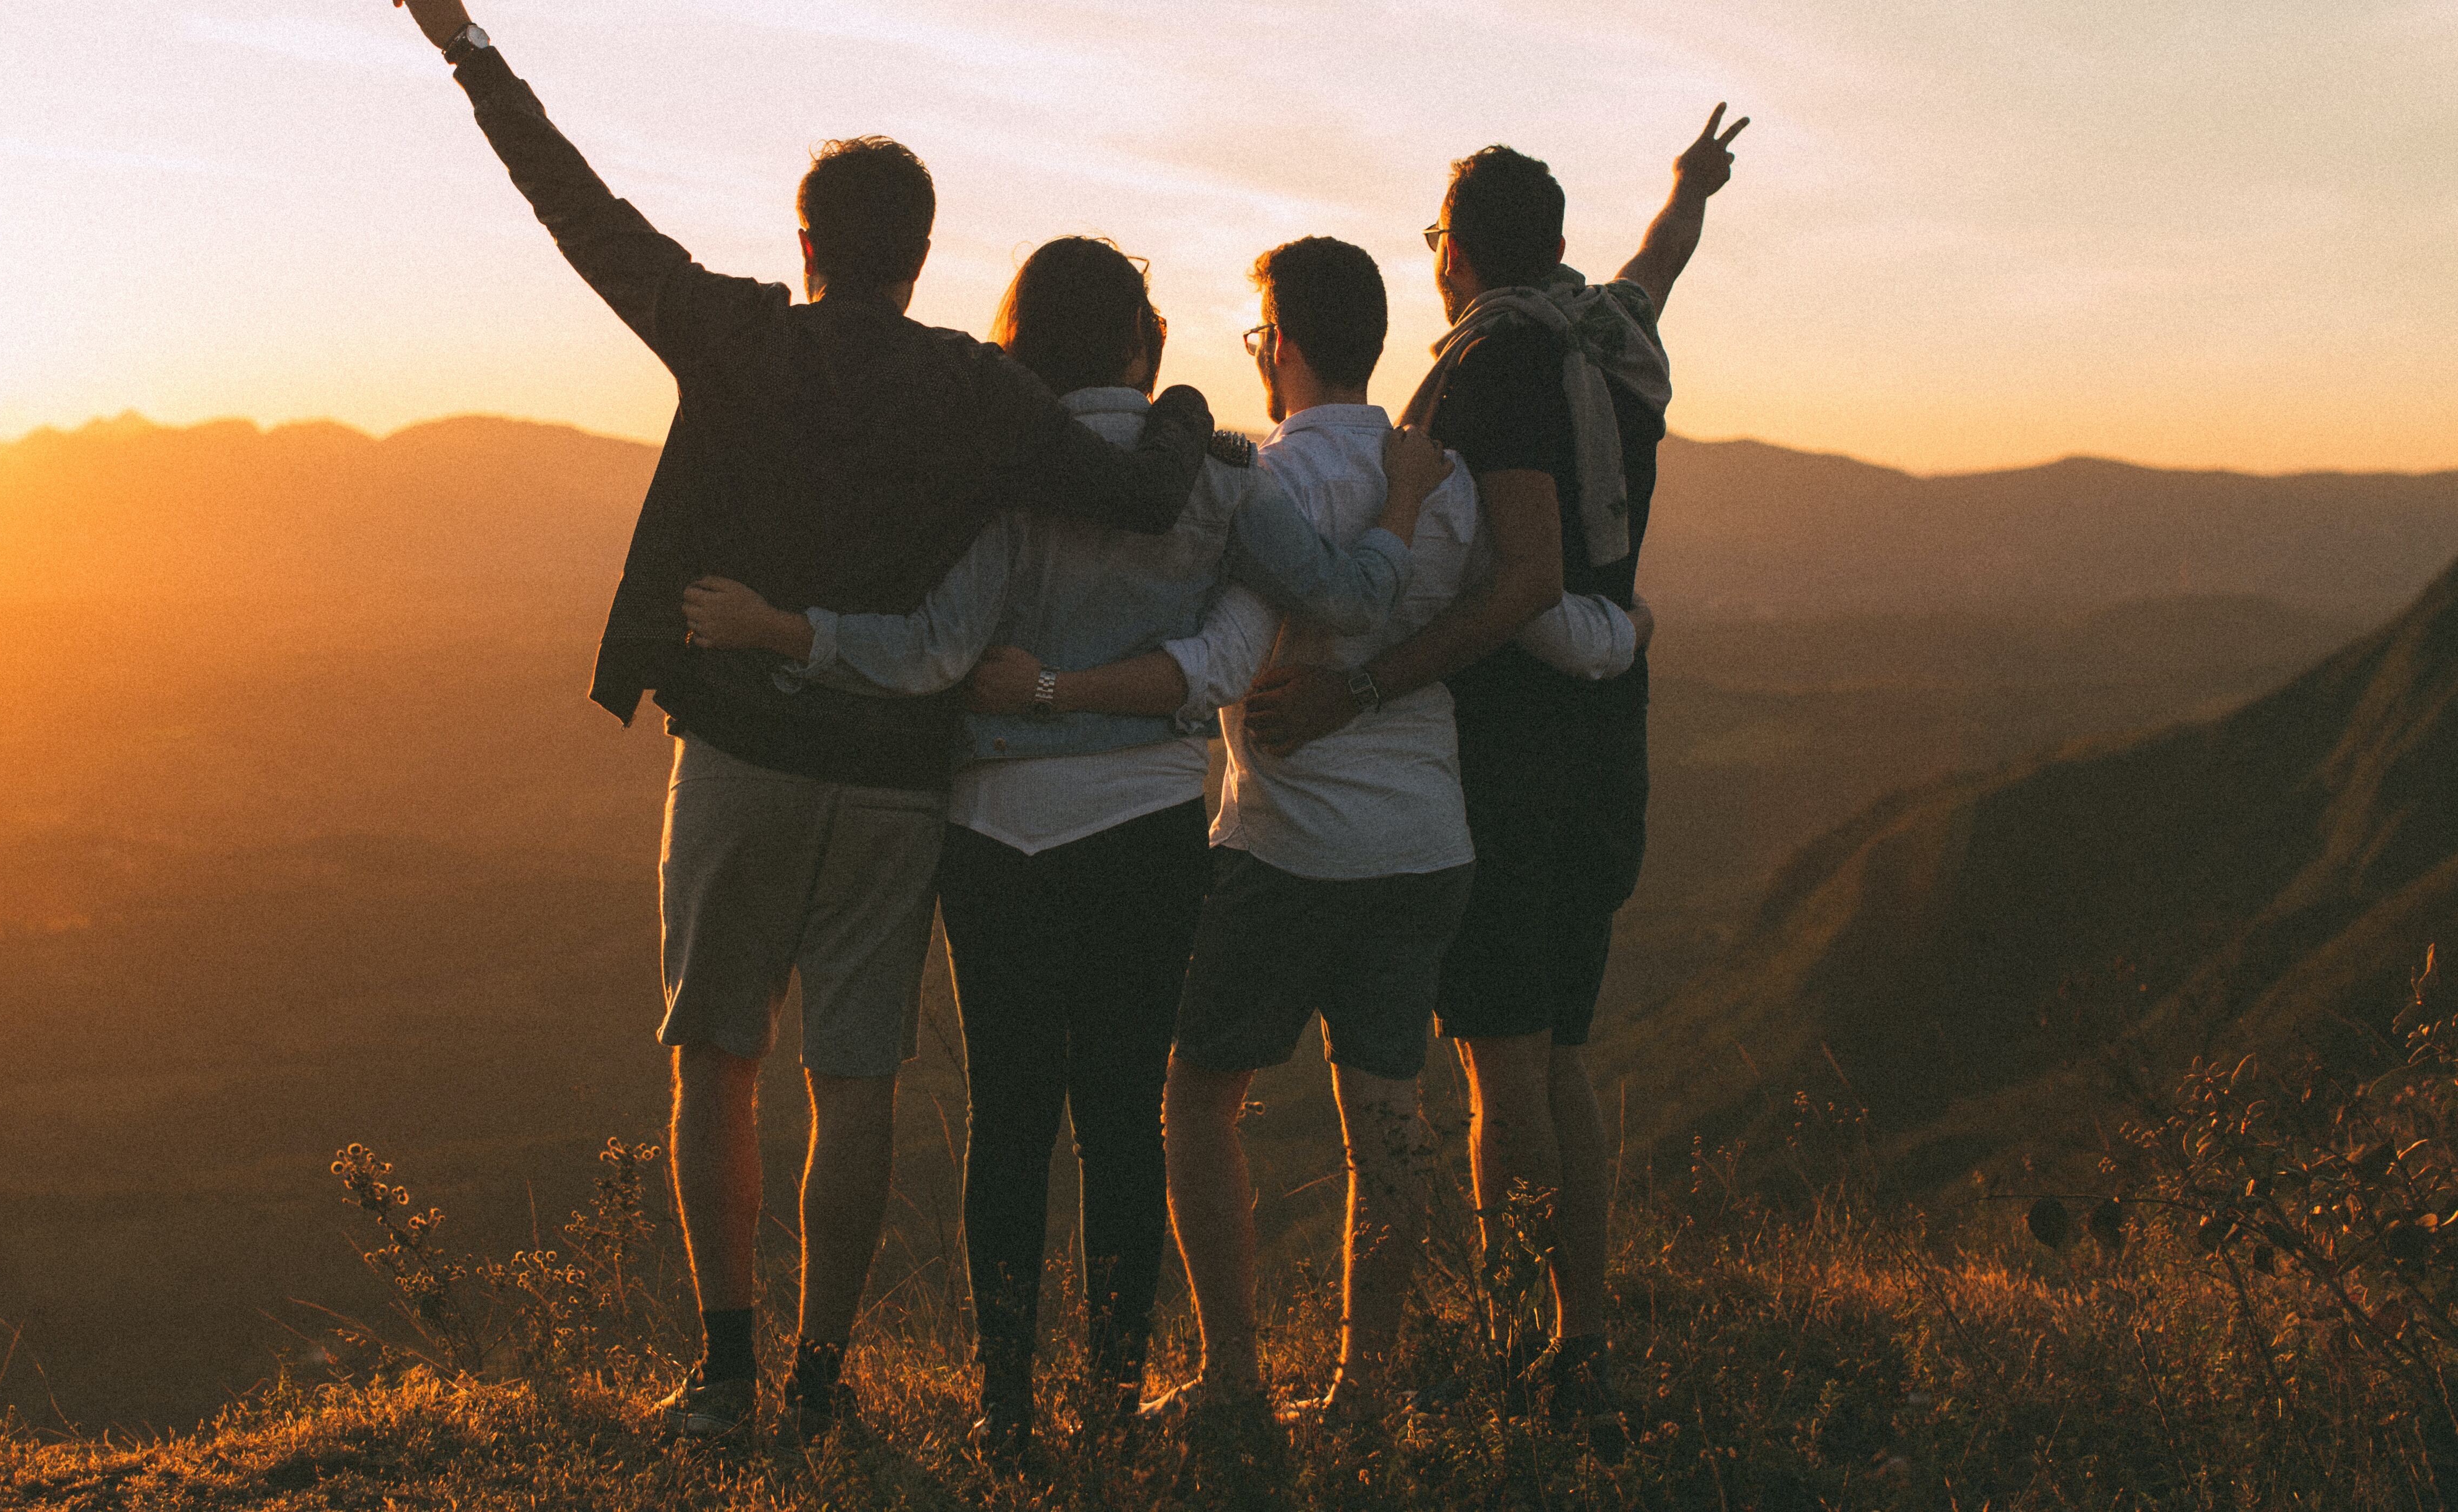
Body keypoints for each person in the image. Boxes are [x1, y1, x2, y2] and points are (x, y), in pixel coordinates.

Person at [378, 0, 1223, 1442]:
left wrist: (467, 48)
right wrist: (1192, 402)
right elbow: (1139, 492)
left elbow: (577, 205)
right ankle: (826, 1380)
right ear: (922, 252)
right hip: (898, 780)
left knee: (717, 1055)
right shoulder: (978, 386)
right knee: (857, 1074)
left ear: (810, 237)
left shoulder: (737, 335)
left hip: (742, 753)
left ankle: (725, 1373)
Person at [679, 234, 1450, 1456]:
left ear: (1018, 346)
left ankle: (1006, 1408)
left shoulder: (1001, 477)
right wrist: (1402, 507)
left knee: (1011, 1119)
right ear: (1145, 347)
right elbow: (1351, 597)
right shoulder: (1218, 477)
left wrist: (793, 633)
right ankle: (1107, 1406)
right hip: (1145, 828)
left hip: (995, 835)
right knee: (1123, 1120)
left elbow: (931, 648)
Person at [1244, 111, 1746, 1426]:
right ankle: (1572, 1344)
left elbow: (1521, 573)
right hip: (1608, 731)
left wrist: (1359, 684)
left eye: (1434, 243)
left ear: (1455, 254)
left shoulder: (1492, 372)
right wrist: (1690, 187)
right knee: (1556, 1049)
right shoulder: (1608, 334)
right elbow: (1663, 261)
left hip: (1520, 745)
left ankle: (1533, 1355)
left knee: (1503, 1057)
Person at [1125, 237, 1636, 1428]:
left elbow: (1240, 652)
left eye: (1261, 337)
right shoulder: (1446, 485)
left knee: (1198, 1095)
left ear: (1282, 345)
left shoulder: (1272, 484)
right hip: (1425, 843)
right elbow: (1524, 613)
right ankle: (1363, 1388)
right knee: (1387, 1120)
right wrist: (1625, 632)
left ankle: (1236, 1380)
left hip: (1289, 841)